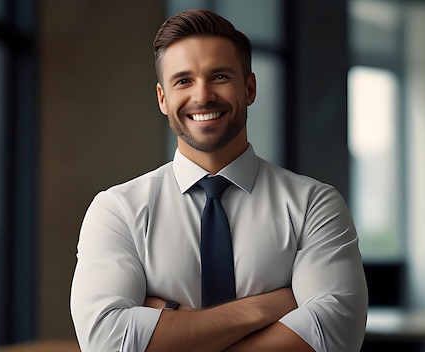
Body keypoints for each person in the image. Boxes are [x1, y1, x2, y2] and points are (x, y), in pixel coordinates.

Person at [71, 9, 368, 352]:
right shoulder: (117, 210)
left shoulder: (314, 204)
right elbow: (105, 341)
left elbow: (335, 335)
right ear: (162, 98)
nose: (202, 96)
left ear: (250, 87)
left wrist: (168, 319)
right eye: (183, 80)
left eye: (220, 77)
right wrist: (269, 307)